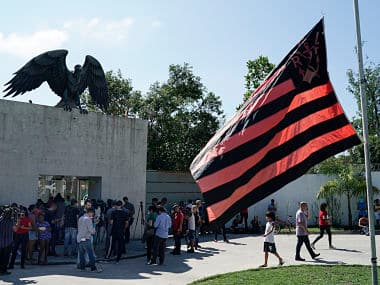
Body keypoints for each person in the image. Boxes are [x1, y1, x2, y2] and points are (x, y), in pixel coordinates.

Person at [77, 207, 97, 271]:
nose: (93, 215)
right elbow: (91, 231)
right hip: (86, 238)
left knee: (81, 254)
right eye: (93, 213)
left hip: (80, 238)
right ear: (90, 213)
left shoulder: (80, 218)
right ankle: (93, 267)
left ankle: (82, 267)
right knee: (90, 254)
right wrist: (94, 228)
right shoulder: (88, 219)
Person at [0, 207, 14, 275]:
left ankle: (1, 270)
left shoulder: (0, 220)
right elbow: (15, 230)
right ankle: (4, 270)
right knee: (6, 257)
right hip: (8, 241)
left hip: (1, 241)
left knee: (1, 256)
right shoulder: (11, 221)